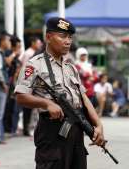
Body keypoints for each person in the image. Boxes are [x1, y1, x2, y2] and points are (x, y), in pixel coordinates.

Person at [15, 17, 105, 169]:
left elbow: (83, 98)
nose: (68, 41)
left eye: (70, 37)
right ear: (48, 37)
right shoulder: (35, 64)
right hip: (52, 131)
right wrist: (46, 103)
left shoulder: (71, 68)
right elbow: (20, 96)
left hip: (76, 129)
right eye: (63, 36)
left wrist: (98, 125)